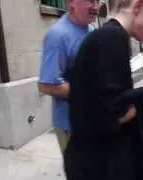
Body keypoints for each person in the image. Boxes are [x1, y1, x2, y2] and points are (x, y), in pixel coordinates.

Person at [64, 0, 143, 179]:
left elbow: (107, 100)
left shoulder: (108, 36)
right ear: (138, 7)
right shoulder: (112, 39)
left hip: (90, 158)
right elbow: (114, 113)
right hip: (97, 165)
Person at [38, 0, 101, 152]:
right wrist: (89, 94)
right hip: (71, 125)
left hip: (94, 120)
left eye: (98, 1)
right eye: (90, 1)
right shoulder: (57, 36)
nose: (96, 6)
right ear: (72, 3)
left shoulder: (91, 30)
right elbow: (47, 85)